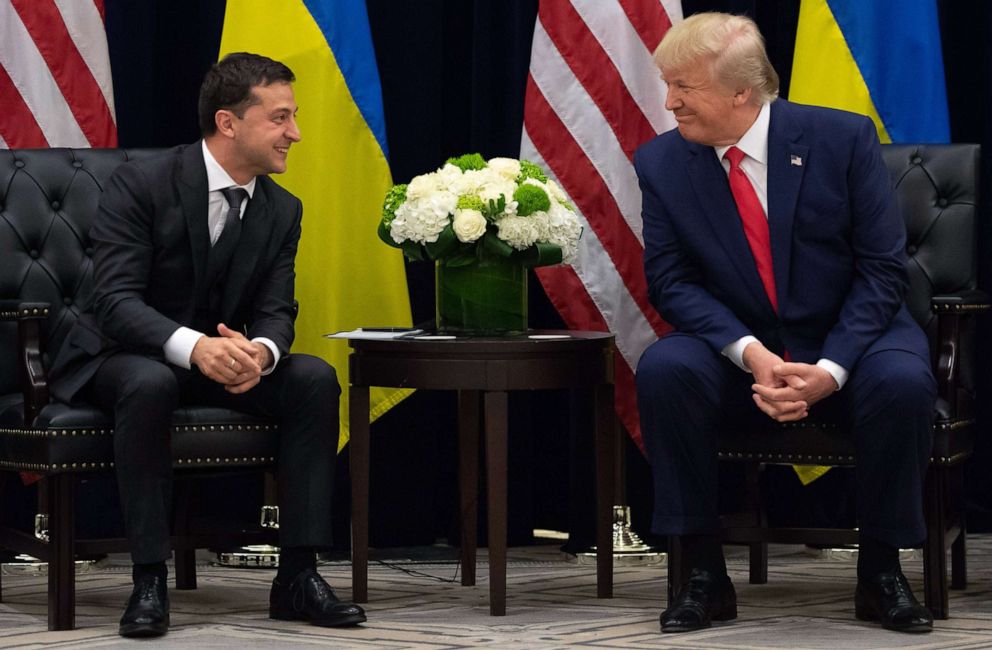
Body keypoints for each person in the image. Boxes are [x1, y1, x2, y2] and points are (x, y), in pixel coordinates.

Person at [634, 13, 935, 635]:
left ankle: (881, 570)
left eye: (683, 87)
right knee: (666, 370)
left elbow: (882, 270)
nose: (669, 102)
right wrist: (750, 353)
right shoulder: (663, 163)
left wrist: (830, 369)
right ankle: (702, 573)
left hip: (852, 337)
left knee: (903, 383)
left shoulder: (841, 139)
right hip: (740, 349)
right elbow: (671, 282)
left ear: (742, 91)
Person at [49, 52, 366, 638]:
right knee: (151, 382)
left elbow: (275, 309)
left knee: (313, 379)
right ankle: (148, 579)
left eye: (293, 117)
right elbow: (113, 301)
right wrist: (194, 347)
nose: (294, 133)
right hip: (118, 354)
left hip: (216, 358)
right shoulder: (143, 183)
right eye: (280, 118)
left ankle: (297, 575)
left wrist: (262, 355)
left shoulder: (281, 209)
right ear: (228, 123)